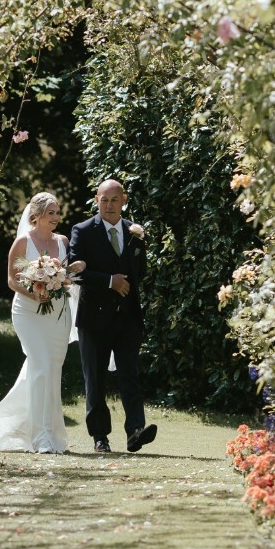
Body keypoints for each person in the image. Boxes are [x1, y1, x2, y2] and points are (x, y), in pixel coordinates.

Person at [0, 192, 85, 454]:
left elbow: (66, 276)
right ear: (37, 215)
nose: (56, 217)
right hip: (28, 313)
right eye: (51, 213)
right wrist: (34, 293)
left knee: (50, 371)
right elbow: (12, 280)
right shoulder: (23, 242)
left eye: (58, 212)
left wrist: (70, 272)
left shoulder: (63, 241)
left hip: (58, 314)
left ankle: (54, 435)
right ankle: (40, 438)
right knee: (41, 366)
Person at [69, 179, 157, 454]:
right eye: (103, 200)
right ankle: (99, 437)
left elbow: (140, 271)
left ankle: (135, 432)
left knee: (130, 375)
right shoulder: (82, 230)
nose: (109, 205)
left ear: (124, 199)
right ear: (96, 199)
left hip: (128, 317)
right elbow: (74, 271)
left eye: (114, 200)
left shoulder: (135, 231)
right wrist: (109, 281)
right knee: (95, 379)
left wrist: (127, 282)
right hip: (94, 319)